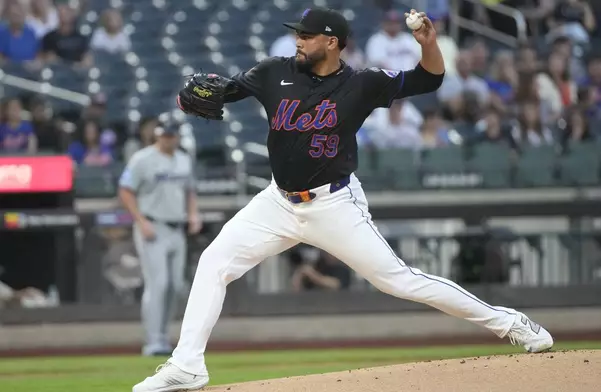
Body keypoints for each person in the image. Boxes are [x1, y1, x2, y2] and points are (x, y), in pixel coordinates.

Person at [133, 8, 553, 392]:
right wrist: (204, 94)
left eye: (307, 35)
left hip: (334, 204)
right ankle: (187, 365)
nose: (298, 40)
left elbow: (429, 80)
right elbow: (227, 91)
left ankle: (511, 323)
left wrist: (428, 44)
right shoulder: (273, 72)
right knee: (213, 262)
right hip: (277, 202)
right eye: (298, 33)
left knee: (399, 280)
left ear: (331, 42)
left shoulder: (362, 83)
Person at [118, 121, 202, 358]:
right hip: (152, 226)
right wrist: (140, 220)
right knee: (159, 284)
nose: (166, 139)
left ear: (176, 137)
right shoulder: (142, 159)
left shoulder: (184, 159)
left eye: (170, 135)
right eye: (162, 135)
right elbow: (125, 190)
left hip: (177, 228)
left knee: (176, 286)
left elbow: (190, 190)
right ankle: (153, 341)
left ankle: (164, 337)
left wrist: (193, 214)